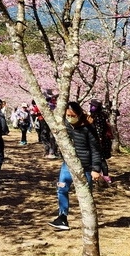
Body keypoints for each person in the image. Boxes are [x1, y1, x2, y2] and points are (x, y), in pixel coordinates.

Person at [48, 101, 103, 231]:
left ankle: (89, 221)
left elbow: (96, 150)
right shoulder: (65, 125)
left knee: (85, 195)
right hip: (68, 164)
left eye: (72, 115)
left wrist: (96, 169)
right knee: (62, 188)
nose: (70, 118)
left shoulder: (88, 128)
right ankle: (62, 217)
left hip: (86, 167)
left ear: (78, 114)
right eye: (68, 115)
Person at [88, 99, 114, 184]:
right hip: (100, 140)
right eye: (91, 105)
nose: (92, 107)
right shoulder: (98, 115)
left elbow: (99, 130)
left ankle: (105, 176)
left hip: (100, 141)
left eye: (93, 106)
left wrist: (98, 140)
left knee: (101, 158)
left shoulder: (99, 116)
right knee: (99, 158)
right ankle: (102, 175)